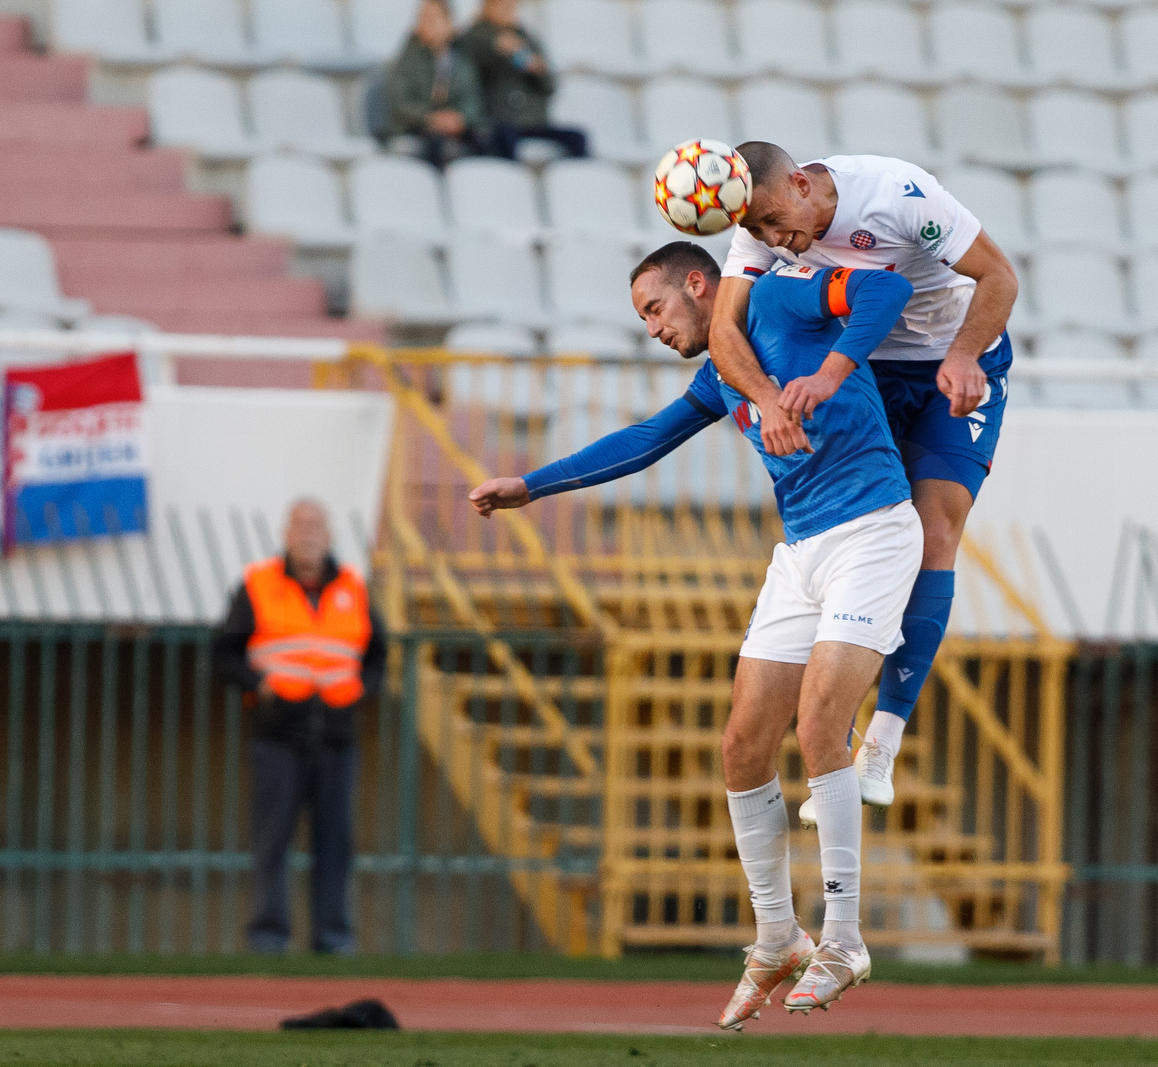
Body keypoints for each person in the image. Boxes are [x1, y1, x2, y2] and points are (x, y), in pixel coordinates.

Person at [468, 242, 920, 1027]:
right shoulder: (722, 372)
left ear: (699, 284)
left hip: (873, 532)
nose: (649, 327)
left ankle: (844, 938)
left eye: (653, 307)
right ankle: (778, 935)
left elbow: (884, 291)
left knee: (819, 723)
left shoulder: (780, 302)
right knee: (743, 745)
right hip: (801, 552)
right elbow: (646, 437)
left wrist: (831, 373)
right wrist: (531, 486)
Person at [708, 142, 1018, 826]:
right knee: (871, 533)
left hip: (951, 362)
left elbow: (999, 276)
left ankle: (882, 743)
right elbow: (722, 332)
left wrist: (965, 354)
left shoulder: (898, 192)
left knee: (935, 529)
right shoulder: (757, 227)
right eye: (756, 231)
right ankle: (832, 743)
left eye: (772, 221)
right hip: (871, 365)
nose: (770, 240)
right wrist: (765, 398)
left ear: (799, 182)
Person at [215, 499, 386, 954]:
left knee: (335, 845)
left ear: (329, 535)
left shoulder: (354, 586)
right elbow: (225, 653)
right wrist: (260, 684)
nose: (308, 533)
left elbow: (378, 653)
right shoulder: (258, 584)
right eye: (300, 525)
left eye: (316, 525)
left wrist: (360, 690)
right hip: (277, 733)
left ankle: (333, 938)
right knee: (272, 843)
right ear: (285, 533)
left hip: (336, 734)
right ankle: (268, 936)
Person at [456, 0, 588, 161]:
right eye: (502, 5)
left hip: (534, 123)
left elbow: (550, 87)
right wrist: (494, 46)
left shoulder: (528, 38)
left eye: (512, 5)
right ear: (486, 7)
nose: (508, 9)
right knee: (504, 137)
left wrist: (539, 71)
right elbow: (461, 65)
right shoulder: (472, 37)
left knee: (577, 138)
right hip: (497, 121)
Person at [384, 0, 488, 167]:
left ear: (449, 22)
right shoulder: (406, 59)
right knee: (435, 144)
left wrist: (460, 118)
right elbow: (401, 103)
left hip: (456, 127)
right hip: (418, 126)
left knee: (487, 138)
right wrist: (432, 118)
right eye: (422, 18)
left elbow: (472, 98)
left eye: (433, 18)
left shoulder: (463, 58)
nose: (426, 24)